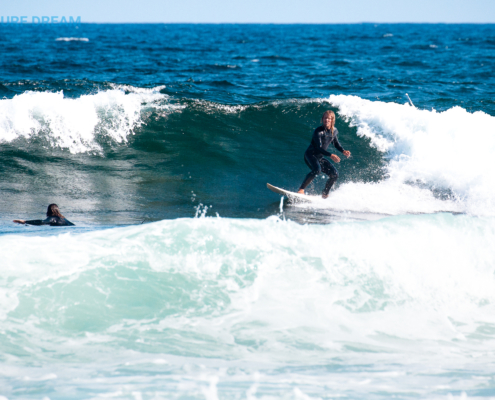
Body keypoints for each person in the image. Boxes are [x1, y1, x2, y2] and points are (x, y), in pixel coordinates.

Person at [298, 110, 351, 198]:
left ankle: (325, 194)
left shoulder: (334, 131)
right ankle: (301, 189)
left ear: (332, 120)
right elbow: (319, 147)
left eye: (329, 118)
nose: (327, 120)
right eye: (325, 118)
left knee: (334, 174)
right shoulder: (318, 131)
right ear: (322, 119)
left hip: (319, 157)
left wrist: (343, 151)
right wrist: (331, 155)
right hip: (310, 155)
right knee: (317, 170)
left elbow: (336, 143)